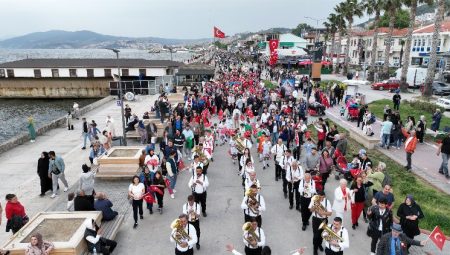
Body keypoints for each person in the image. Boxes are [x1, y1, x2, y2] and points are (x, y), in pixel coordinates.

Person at [309, 190, 333, 255]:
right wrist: (314, 206)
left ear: (324, 196)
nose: (320, 198)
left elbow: (330, 213)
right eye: (318, 197)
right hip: (316, 220)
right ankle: (315, 248)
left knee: (322, 234)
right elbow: (310, 210)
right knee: (316, 236)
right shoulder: (313, 200)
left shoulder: (327, 202)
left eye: (321, 197)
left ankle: (319, 244)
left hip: (324, 220)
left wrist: (323, 213)